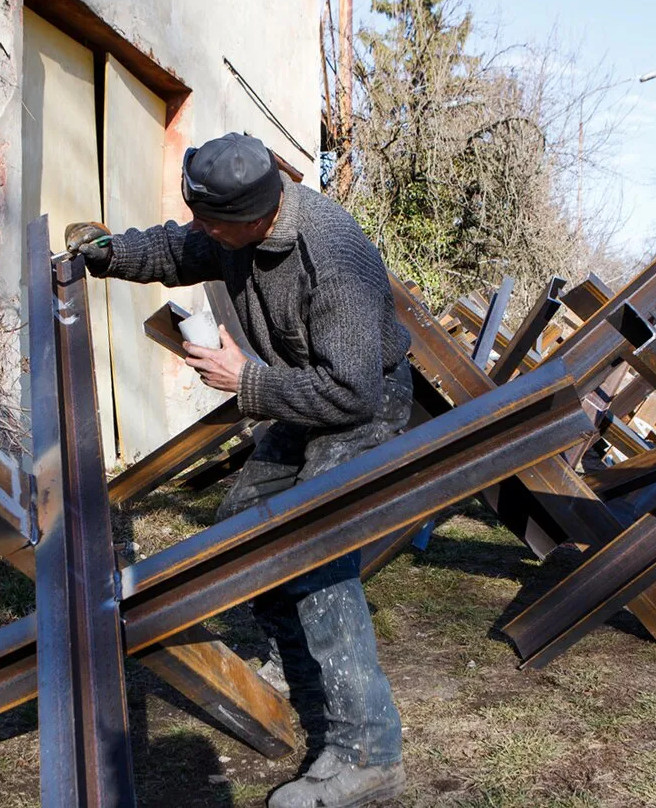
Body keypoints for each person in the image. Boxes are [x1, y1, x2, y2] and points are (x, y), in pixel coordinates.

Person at [65, 132, 410, 808]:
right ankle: (300, 670)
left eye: (211, 222)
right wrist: (107, 256)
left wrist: (243, 379)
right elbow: (174, 247)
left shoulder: (331, 255)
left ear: (255, 215)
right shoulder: (232, 230)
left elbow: (352, 392)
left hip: (362, 405)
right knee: (242, 533)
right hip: (299, 390)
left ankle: (369, 754)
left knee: (313, 555)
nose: (201, 230)